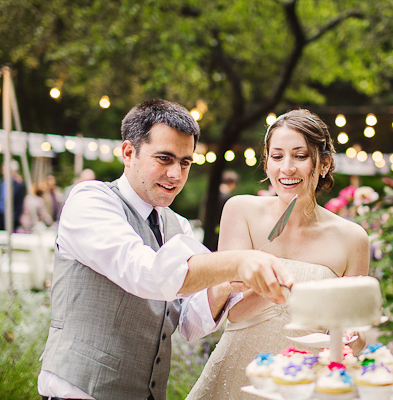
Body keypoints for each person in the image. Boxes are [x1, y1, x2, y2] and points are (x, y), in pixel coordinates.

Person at [37, 99, 293, 400]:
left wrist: (225, 285)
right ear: (128, 153)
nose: (176, 174)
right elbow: (146, 274)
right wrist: (235, 262)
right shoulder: (90, 201)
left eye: (185, 162)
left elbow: (188, 323)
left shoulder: (179, 226)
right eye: (164, 158)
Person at [186, 109, 370, 400]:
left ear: (324, 163)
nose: (287, 167)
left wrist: (354, 338)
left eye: (300, 156)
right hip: (240, 373)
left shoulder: (353, 238)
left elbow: (357, 334)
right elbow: (234, 313)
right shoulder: (240, 211)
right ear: (266, 162)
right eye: (277, 156)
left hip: (307, 382)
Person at [0, 160, 26, 232]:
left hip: (11, 218)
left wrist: (14, 219)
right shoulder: (1, 183)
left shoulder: (18, 186)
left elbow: (19, 205)